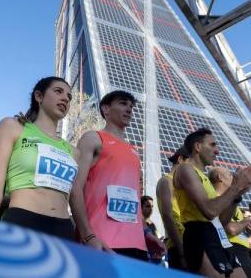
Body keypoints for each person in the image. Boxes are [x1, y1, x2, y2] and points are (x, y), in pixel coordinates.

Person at [0, 77, 78, 240]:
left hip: (63, 229)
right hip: (22, 222)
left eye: (69, 96)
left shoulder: (73, 151)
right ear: (39, 96)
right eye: (58, 91)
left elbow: (76, 197)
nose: (65, 98)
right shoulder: (12, 127)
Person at [70, 90, 148, 261]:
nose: (129, 109)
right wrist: (88, 235)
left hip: (137, 245)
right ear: (106, 109)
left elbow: (135, 200)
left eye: (131, 106)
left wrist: (146, 234)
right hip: (101, 242)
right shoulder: (93, 138)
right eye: (122, 103)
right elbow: (75, 189)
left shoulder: (134, 151)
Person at [174, 128, 251, 277]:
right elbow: (209, 211)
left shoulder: (204, 178)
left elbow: (221, 220)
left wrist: (237, 196)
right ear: (198, 147)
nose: (217, 151)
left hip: (217, 235)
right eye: (213, 145)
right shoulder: (185, 169)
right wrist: (235, 186)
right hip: (199, 234)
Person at [210, 167, 251, 278]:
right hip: (232, 248)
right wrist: (246, 221)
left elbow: (238, 226)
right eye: (229, 174)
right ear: (220, 178)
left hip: (241, 249)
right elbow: (231, 228)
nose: (233, 177)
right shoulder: (217, 200)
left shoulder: (230, 200)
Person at [156, 146, 189, 270]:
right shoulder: (166, 181)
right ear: (180, 159)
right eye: (190, 164)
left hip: (189, 243)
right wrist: (181, 251)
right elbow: (168, 216)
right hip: (178, 245)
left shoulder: (183, 186)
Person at [141, 195, 166, 263]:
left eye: (152, 206)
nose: (151, 209)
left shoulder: (152, 224)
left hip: (154, 258)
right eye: (148, 206)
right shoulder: (138, 224)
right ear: (141, 207)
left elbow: (158, 237)